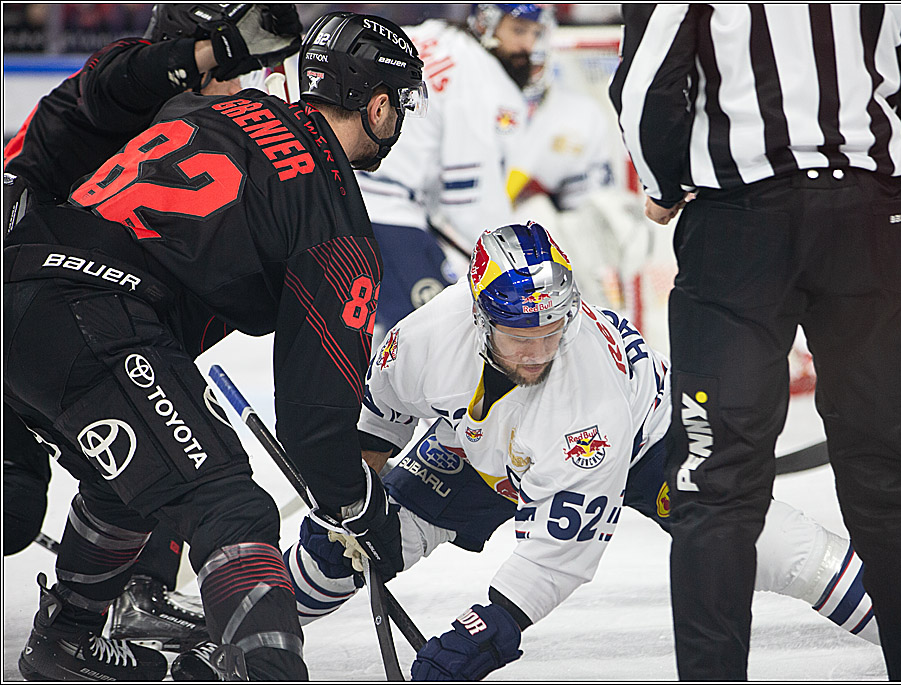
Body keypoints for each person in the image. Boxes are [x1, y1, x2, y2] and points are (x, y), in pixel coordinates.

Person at [278, 222, 901, 680]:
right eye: (519, 334)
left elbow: (560, 552)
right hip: (477, 447)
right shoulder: (425, 336)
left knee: (770, 547)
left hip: (647, 444)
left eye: (552, 329)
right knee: (347, 546)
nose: (538, 351)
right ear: (477, 315)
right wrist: (357, 496)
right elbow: (379, 419)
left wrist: (488, 627)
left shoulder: (583, 397)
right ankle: (247, 623)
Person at [4, 10, 424, 681]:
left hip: (21, 280)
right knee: (232, 505)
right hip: (91, 314)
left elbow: (79, 116)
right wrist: (358, 504)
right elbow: (317, 427)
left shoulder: (235, 108)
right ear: (378, 106)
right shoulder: (334, 217)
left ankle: (68, 638)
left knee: (140, 478)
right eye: (401, 105)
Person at [610, 4, 901, 680]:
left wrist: (663, 182)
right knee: (895, 477)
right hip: (870, 222)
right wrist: (867, 178)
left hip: (739, 227)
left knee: (716, 481)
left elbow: (648, 84)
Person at [2, 2, 303, 654]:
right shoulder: (113, 93)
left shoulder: (180, 132)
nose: (239, 89)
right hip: (28, 314)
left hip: (59, 327)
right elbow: (129, 78)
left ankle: (125, 595)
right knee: (13, 501)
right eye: (227, 69)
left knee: (149, 431)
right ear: (186, 58)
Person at [354, 3, 620, 333]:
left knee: (391, 340)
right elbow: (468, 204)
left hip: (350, 196)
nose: (528, 46)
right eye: (518, 30)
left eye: (536, 33)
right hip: (386, 213)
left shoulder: (432, 34)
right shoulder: (487, 84)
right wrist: (516, 267)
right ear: (486, 23)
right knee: (441, 334)